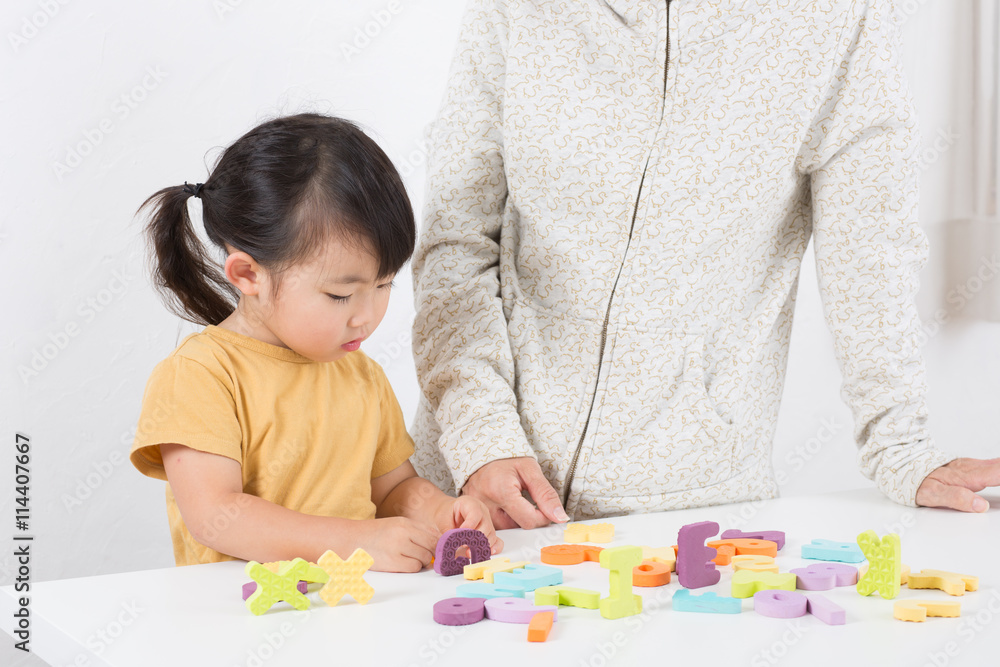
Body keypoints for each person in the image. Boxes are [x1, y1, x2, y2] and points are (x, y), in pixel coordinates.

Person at [410, 0, 999, 529]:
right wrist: (481, 436)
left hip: (684, 517)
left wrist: (900, 445)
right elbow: (455, 239)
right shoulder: (517, 9)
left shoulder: (835, 18)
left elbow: (870, 250)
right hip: (473, 496)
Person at [130, 113, 500, 571]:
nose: (367, 316)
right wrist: (355, 541)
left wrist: (441, 511)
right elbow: (216, 517)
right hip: (246, 609)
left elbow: (391, 489)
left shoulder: (361, 375)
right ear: (248, 274)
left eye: (383, 285)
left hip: (356, 605)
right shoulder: (199, 376)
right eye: (340, 295)